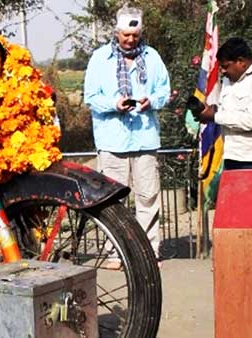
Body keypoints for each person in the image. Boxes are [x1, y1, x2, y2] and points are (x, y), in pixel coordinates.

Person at [83, 6, 171, 265]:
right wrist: (114, 103)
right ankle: (115, 253)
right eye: (125, 35)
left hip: (145, 139)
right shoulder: (99, 59)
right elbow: (90, 97)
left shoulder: (152, 57)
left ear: (140, 32)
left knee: (148, 197)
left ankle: (147, 252)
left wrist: (151, 101)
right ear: (116, 32)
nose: (130, 40)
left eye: (135, 35)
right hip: (112, 141)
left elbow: (164, 92)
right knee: (111, 201)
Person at [194, 37, 252, 170]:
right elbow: (230, 112)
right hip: (233, 156)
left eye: (225, 66)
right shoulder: (229, 80)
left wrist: (215, 116)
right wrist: (212, 111)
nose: (222, 71)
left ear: (241, 62)